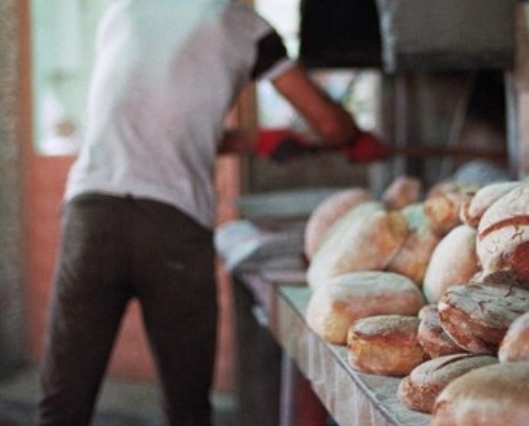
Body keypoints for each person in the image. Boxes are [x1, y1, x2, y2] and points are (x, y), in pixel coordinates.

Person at [35, 0, 386, 425]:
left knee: (60, 409)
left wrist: (256, 139)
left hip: (91, 215)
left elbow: (160, 126)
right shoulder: (242, 24)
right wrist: (353, 134)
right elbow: (330, 126)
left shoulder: (122, 9)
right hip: (173, 228)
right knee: (187, 411)